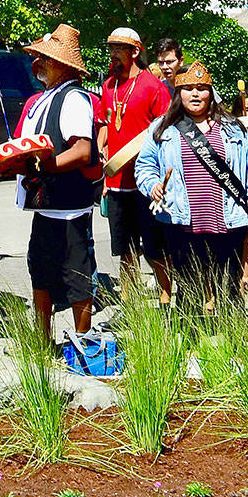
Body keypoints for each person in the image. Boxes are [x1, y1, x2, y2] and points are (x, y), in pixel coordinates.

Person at [134, 59, 248, 310]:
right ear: (179, 93)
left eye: (201, 88)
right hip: (182, 223)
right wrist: (152, 184)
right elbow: (144, 166)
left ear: (211, 93)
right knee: (189, 290)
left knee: (230, 291)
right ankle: (190, 346)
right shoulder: (163, 129)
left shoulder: (233, 130)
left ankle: (237, 346)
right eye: (188, 89)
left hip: (228, 222)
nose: (195, 94)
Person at [14, 24, 99, 341]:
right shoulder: (43, 99)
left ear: (62, 64)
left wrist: (46, 167)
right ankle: (42, 338)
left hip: (69, 208)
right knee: (41, 273)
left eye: (44, 59)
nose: (37, 63)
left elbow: (81, 150)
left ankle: (83, 341)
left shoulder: (74, 98)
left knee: (76, 276)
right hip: (46, 205)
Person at [100, 27, 169, 297]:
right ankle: (130, 304)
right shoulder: (108, 86)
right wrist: (101, 151)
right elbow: (105, 124)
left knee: (154, 246)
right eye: (111, 48)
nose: (113, 54)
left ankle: (166, 296)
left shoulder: (154, 86)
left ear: (135, 52)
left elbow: (166, 130)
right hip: (117, 182)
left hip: (145, 182)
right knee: (125, 247)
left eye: (119, 49)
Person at [153, 36, 183, 104]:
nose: (164, 67)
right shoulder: (157, 90)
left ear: (181, 61)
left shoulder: (197, 88)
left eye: (169, 62)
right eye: (161, 63)